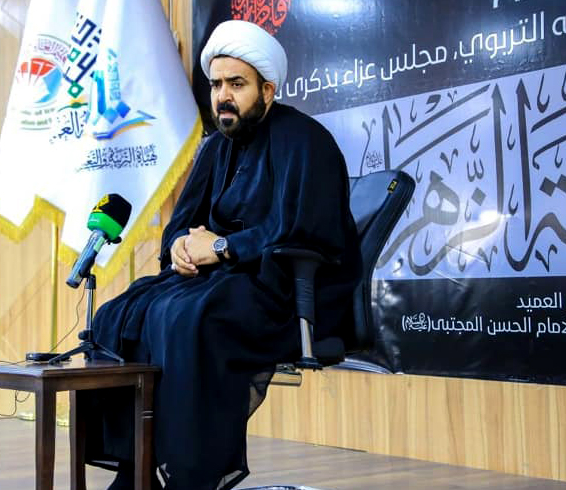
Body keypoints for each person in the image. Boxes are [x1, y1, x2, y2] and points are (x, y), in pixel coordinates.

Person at [81, 20, 362, 490]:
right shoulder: (215, 147)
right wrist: (179, 247)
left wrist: (222, 247)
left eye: (237, 84)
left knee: (190, 318)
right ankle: (137, 468)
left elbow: (303, 230)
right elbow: (180, 223)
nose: (223, 96)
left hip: (282, 290)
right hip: (219, 281)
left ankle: (192, 476)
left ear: (267, 89)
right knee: (119, 315)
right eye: (216, 85)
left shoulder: (305, 140)